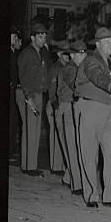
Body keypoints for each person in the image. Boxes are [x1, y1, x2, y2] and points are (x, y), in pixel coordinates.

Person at [74, 27, 111, 208]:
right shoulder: (91, 60)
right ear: (97, 44)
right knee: (89, 153)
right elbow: (98, 77)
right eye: (108, 42)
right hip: (92, 105)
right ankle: (91, 195)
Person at [16, 23, 50, 176]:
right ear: (33, 37)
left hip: (36, 93)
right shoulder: (28, 53)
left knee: (32, 129)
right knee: (31, 129)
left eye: (44, 36)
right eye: (40, 36)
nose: (43, 39)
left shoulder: (40, 52)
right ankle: (30, 167)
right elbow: (24, 77)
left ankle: (28, 165)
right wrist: (29, 98)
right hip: (28, 93)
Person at [55, 40, 88, 194]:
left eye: (84, 53)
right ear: (73, 55)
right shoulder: (69, 68)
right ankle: (77, 184)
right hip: (67, 107)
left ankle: (69, 178)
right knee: (71, 147)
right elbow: (77, 86)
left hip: (77, 108)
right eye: (80, 54)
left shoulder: (80, 68)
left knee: (76, 146)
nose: (83, 56)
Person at [47, 45, 71, 176]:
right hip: (55, 104)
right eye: (65, 54)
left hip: (61, 103)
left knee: (62, 135)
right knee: (56, 136)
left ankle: (60, 166)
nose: (68, 56)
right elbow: (51, 87)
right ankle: (56, 167)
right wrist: (54, 103)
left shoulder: (65, 67)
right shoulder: (57, 67)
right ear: (59, 54)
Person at [10, 26, 22, 162]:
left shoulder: (14, 53)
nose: (17, 39)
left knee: (13, 120)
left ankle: (11, 149)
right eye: (14, 37)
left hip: (13, 90)